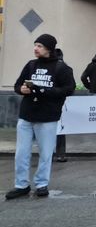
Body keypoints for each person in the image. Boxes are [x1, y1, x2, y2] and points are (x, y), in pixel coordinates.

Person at [6, 34, 75, 200]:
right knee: (21, 153)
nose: (35, 48)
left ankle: (41, 184)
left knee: (45, 153)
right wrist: (21, 89)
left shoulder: (61, 68)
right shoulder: (31, 65)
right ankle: (21, 185)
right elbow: (18, 84)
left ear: (49, 49)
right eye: (35, 45)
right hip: (26, 115)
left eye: (40, 46)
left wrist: (43, 90)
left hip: (48, 117)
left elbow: (68, 89)